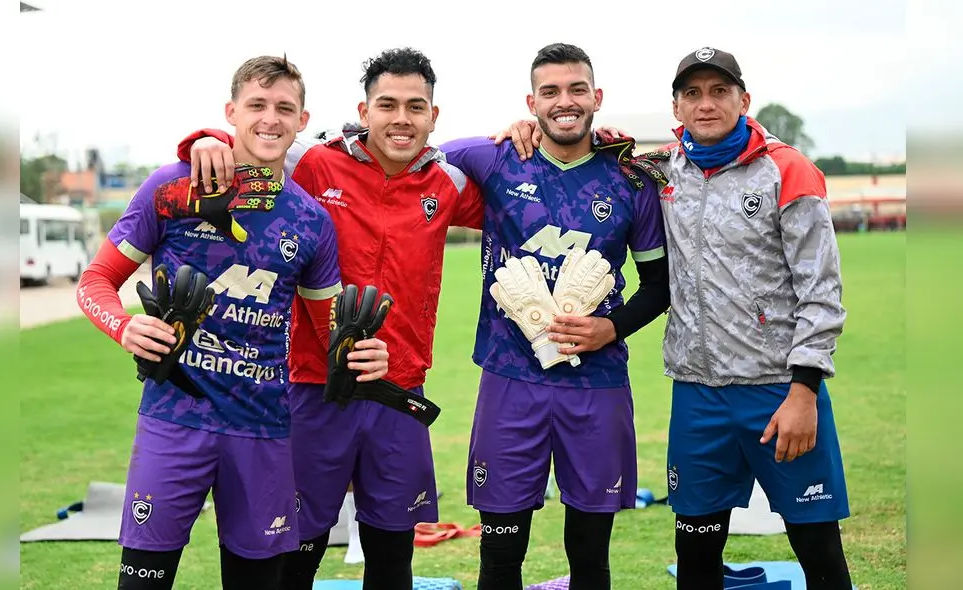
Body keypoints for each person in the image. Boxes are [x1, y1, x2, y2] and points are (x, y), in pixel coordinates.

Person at [505, 46, 854, 590]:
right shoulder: (659, 168)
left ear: (744, 99)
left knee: (817, 548)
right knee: (694, 552)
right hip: (697, 394)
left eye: (719, 92)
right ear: (677, 106)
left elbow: (822, 292)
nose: (706, 104)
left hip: (779, 391)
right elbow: (579, 139)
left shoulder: (788, 171)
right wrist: (528, 127)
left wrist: (805, 389)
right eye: (693, 93)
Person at [175, 48, 485, 589]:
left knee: (393, 556)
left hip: (397, 390)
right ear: (363, 112)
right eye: (386, 104)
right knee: (299, 550)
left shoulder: (447, 183)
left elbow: (524, 182)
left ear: (434, 116)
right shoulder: (314, 164)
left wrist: (534, 130)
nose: (401, 118)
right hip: (314, 388)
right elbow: (257, 141)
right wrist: (205, 138)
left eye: (416, 106)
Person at [75, 55, 388, 590]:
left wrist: (362, 353)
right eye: (257, 105)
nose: (271, 119)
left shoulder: (310, 219)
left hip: (262, 429)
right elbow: (94, 282)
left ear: (302, 120)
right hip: (174, 419)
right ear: (231, 112)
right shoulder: (172, 186)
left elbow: (330, 328)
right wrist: (124, 327)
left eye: (284, 108)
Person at [438, 42, 671, 590]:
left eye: (576, 89)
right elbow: (411, 154)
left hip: (597, 381)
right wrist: (506, 129)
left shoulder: (630, 180)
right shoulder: (496, 158)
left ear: (597, 97)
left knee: (590, 555)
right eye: (550, 92)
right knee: (500, 555)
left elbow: (658, 285)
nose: (564, 101)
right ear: (531, 101)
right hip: (509, 375)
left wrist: (609, 328)